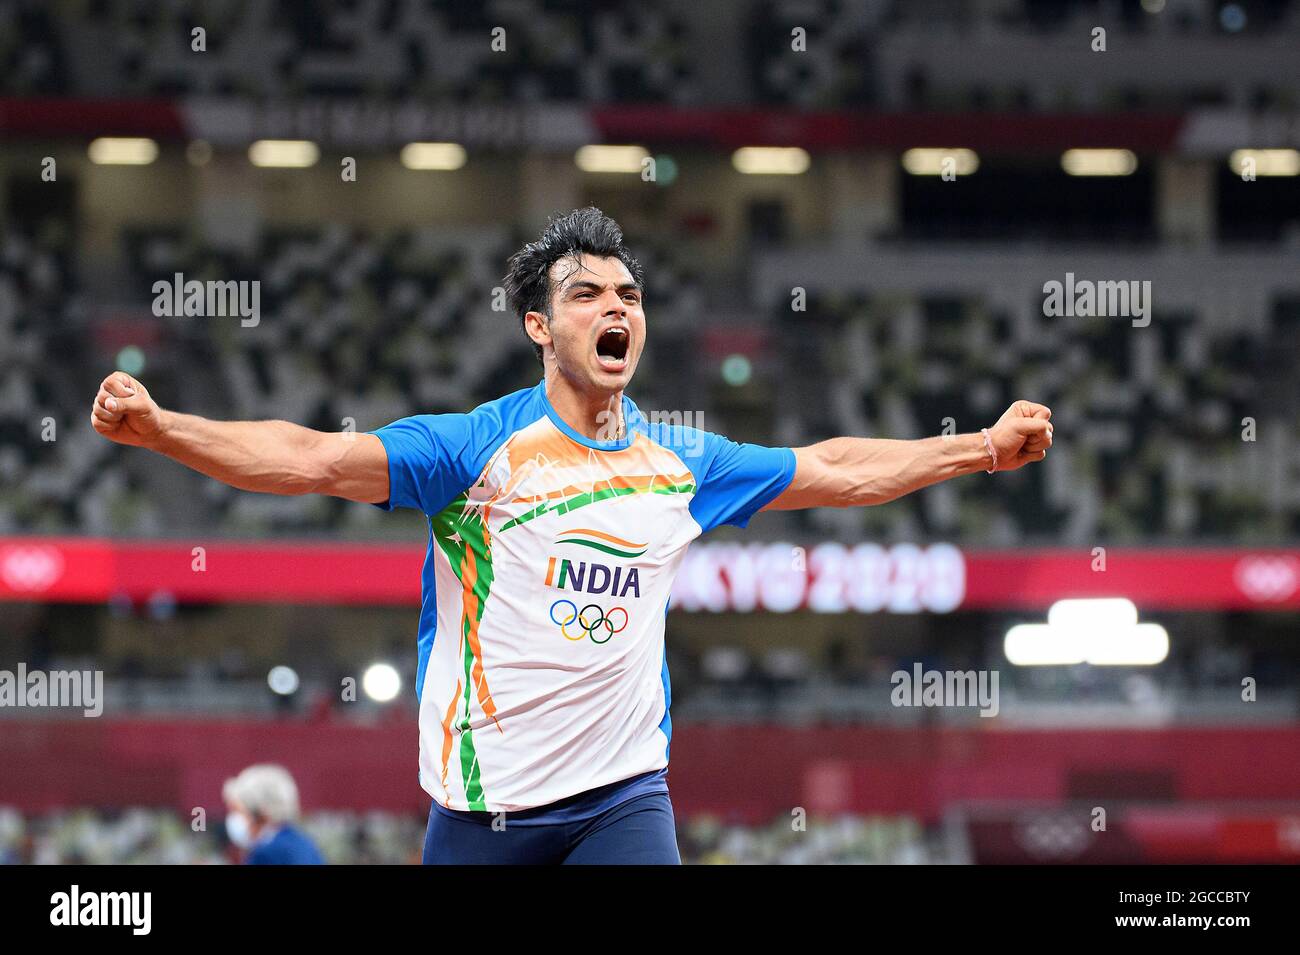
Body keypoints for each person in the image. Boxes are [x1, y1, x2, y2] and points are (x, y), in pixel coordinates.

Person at [90, 207, 1053, 864]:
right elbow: (308, 459)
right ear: (539, 327)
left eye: (629, 296)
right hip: (483, 806)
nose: (617, 309)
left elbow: (833, 469)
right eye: (589, 295)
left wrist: (979, 450)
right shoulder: (475, 450)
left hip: (624, 793)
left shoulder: (684, 462)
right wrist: (165, 428)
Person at [222, 764, 325, 865]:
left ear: (260, 812)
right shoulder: (305, 845)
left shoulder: (265, 855)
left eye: (237, 811)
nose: (234, 818)